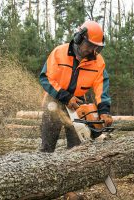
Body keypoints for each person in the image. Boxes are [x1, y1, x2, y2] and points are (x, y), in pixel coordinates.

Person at [39, 21, 113, 153]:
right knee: (47, 146)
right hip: (55, 98)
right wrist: (66, 97)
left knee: (78, 147)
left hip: (78, 102)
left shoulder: (97, 61)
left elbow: (101, 86)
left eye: (96, 47)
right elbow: (45, 78)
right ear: (79, 38)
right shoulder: (59, 53)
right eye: (89, 45)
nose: (92, 50)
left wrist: (104, 110)